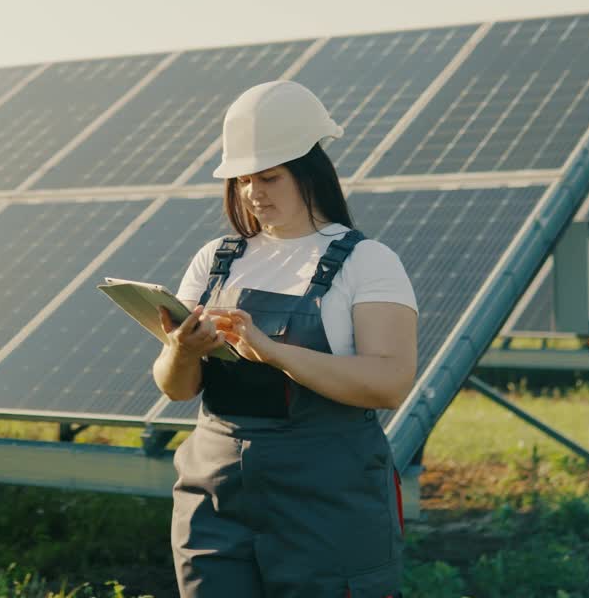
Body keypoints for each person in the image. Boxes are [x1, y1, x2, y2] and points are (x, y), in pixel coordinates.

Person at [152, 81, 418, 597]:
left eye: (269, 177)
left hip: (327, 502)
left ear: (310, 171)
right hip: (215, 496)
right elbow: (176, 389)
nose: (253, 193)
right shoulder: (215, 259)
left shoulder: (368, 262)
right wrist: (180, 351)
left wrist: (273, 352)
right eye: (243, 179)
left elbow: (389, 382)